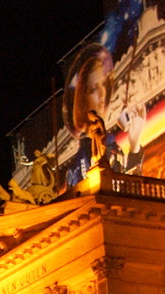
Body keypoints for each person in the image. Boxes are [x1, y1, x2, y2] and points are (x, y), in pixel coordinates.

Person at [61, 43, 146, 187]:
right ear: (81, 99)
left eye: (103, 85)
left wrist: (134, 144)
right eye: (94, 89)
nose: (102, 94)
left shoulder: (112, 146)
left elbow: (130, 188)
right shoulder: (79, 164)